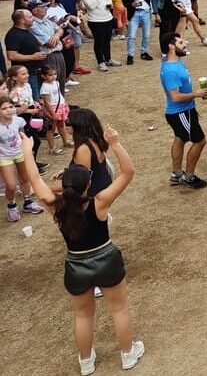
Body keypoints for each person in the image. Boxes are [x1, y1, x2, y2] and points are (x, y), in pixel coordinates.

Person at [20, 126, 146, 374]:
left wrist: (26, 150)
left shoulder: (56, 207)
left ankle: (86, 362)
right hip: (106, 258)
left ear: (63, 185)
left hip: (76, 265)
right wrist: (116, 143)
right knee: (118, 309)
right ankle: (128, 354)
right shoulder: (99, 203)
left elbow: (34, 180)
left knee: (83, 316)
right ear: (89, 184)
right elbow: (128, 173)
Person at [159, 31, 207, 189]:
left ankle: (176, 174)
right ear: (171, 47)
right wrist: (197, 94)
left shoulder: (171, 61)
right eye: (181, 43)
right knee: (200, 141)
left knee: (180, 138)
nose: (185, 44)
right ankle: (189, 176)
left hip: (182, 111)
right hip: (181, 112)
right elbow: (175, 96)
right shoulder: (171, 70)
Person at [1, 93, 46, 220]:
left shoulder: (18, 120)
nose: (9, 110)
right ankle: (11, 205)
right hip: (4, 157)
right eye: (4, 108)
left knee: (25, 178)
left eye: (10, 107)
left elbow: (21, 134)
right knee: (10, 185)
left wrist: (27, 149)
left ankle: (28, 202)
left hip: (20, 153)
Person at [79, 0, 117, 72]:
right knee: (99, 42)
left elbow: (108, 0)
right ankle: (101, 62)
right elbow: (91, 6)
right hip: (95, 20)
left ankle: (108, 59)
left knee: (107, 40)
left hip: (108, 17)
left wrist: (110, 5)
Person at [121, 0, 152, 65]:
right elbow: (124, 2)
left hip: (145, 11)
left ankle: (144, 52)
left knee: (146, 34)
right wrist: (131, 4)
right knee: (132, 36)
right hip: (134, 13)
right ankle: (130, 55)